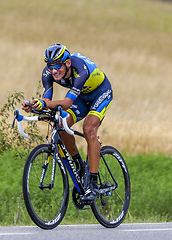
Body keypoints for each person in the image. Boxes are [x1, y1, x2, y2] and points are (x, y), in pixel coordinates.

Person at [22, 43, 113, 202]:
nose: (54, 70)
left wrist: (44, 104)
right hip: (82, 98)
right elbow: (46, 100)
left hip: (101, 93)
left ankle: (92, 182)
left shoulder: (80, 70)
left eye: (58, 65)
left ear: (68, 63)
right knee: (61, 124)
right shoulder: (48, 73)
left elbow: (67, 103)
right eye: (50, 66)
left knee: (89, 129)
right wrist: (35, 106)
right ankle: (78, 163)